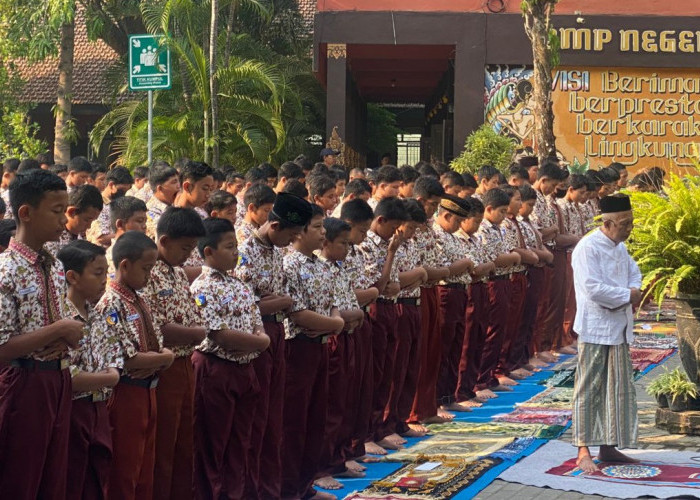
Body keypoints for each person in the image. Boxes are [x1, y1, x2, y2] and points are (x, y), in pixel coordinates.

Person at [0, 169, 86, 499]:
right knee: (22, 478)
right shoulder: (8, 268)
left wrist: (64, 333)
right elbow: (3, 346)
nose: (64, 220)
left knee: (53, 479)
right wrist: (60, 329)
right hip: (25, 384)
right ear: (26, 212)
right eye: (55, 210)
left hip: (57, 380)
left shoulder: (49, 262)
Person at [235, 192, 312, 499]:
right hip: (256, 335)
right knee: (256, 418)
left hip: (277, 332)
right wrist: (281, 302)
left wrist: (277, 303)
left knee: (273, 417)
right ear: (275, 226)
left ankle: (272, 487)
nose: (293, 241)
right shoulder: (246, 250)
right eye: (292, 234)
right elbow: (246, 301)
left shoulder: (276, 250)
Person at [190, 217, 270, 499]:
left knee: (241, 441)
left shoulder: (240, 285)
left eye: (236, 245)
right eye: (228, 247)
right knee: (213, 443)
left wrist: (260, 340)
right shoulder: (202, 287)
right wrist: (261, 341)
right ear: (208, 252)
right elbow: (219, 335)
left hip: (244, 367)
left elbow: (255, 321)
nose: (236, 252)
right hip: (216, 370)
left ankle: (236, 493)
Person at [97, 231, 175, 500]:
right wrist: (166, 358)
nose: (149, 275)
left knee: (144, 470)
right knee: (124, 470)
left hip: (148, 389)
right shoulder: (111, 302)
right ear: (125, 265)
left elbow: (155, 346)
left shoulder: (138, 298)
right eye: (146, 268)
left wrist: (159, 358)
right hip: (127, 393)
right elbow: (128, 359)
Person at [571, 194, 641, 473]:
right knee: (589, 389)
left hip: (619, 327)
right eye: (625, 224)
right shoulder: (587, 248)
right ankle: (583, 448)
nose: (629, 228)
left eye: (631, 222)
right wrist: (628, 295)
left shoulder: (620, 247)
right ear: (608, 223)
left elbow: (635, 273)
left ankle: (609, 446)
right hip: (595, 327)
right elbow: (593, 289)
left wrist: (634, 290)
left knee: (618, 389)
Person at [140, 207, 207, 500]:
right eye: (184, 248)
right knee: (164, 444)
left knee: (184, 441)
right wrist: (196, 333)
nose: (188, 255)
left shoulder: (178, 273)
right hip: (163, 367)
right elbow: (153, 325)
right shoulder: (148, 272)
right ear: (164, 240)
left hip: (185, 363)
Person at [281, 204, 343, 500]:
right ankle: (289, 487)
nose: (323, 233)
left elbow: (330, 300)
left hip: (320, 345)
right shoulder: (290, 265)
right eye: (317, 227)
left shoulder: (320, 264)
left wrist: (332, 321)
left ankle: (305, 485)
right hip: (298, 347)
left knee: (316, 417)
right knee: (295, 420)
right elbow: (297, 313)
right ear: (301, 231)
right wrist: (334, 323)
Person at [58, 240, 121, 500]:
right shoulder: (61, 318)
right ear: (72, 277)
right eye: (97, 273)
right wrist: (108, 377)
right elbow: (67, 376)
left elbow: (113, 358)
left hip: (99, 407)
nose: (104, 280)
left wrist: (109, 376)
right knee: (72, 478)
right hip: (73, 409)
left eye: (107, 272)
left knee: (98, 478)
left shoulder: (97, 314)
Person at [315, 217, 366, 491]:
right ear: (326, 243)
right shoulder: (319, 270)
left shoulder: (339, 267)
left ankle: (339, 457)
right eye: (343, 243)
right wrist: (352, 315)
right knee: (331, 404)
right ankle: (323, 466)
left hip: (348, 336)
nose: (348, 248)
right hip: (332, 338)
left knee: (347, 399)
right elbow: (329, 309)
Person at [358, 197, 407, 454]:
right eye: (392, 227)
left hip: (390, 307)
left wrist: (389, 280)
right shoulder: (366, 245)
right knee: (374, 374)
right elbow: (378, 284)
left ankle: (379, 429)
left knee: (387, 370)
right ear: (380, 221)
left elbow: (394, 283)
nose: (395, 233)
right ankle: (366, 434)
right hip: (374, 310)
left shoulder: (390, 243)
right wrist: (389, 255)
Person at [339, 199, 380, 463]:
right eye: (362, 231)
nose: (365, 237)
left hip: (358, 322)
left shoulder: (355, 252)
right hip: (338, 329)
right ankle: (339, 454)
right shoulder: (330, 255)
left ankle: (354, 447)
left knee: (361, 387)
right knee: (340, 396)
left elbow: (365, 289)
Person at [474, 188, 522, 398]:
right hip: (492, 282)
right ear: (489, 209)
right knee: (490, 332)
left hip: (504, 280)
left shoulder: (497, 228)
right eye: (501, 211)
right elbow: (494, 259)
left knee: (500, 331)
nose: (504, 216)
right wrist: (513, 258)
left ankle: (491, 376)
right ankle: (481, 380)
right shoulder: (482, 230)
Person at [433, 196, 475, 411]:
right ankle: (437, 400)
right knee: (443, 347)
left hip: (460, 292)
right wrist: (466, 264)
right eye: (457, 221)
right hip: (446, 293)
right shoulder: (436, 235)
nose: (459, 226)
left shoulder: (451, 236)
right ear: (447, 215)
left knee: (456, 346)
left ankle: (449, 395)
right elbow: (445, 269)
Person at [45, 184, 103, 257]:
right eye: (86, 220)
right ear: (71, 212)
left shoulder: (80, 236)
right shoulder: (52, 239)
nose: (89, 226)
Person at [86, 166, 134, 247]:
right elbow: (100, 238)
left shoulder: (118, 204)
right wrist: (129, 234)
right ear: (111, 185)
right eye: (122, 189)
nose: (124, 193)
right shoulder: (99, 205)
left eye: (126, 190)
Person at [105, 196, 149, 279]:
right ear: (120, 224)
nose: (144, 226)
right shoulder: (111, 259)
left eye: (145, 221)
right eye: (139, 221)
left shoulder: (145, 251)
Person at [146, 163, 181, 239]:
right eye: (174, 182)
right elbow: (172, 236)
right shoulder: (150, 212)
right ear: (160, 188)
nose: (179, 186)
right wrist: (179, 210)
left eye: (179, 181)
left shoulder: (173, 204)